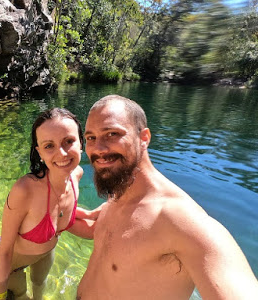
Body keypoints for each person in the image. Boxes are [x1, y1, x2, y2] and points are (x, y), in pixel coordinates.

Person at [77, 95, 258, 299]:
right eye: (91, 137)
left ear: (144, 138)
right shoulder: (118, 195)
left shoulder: (181, 221)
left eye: (112, 133)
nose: (98, 149)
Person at [0, 107, 99, 300]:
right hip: (11, 265)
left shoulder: (76, 175)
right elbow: (5, 250)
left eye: (69, 141)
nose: (62, 153)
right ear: (39, 152)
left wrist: (90, 215)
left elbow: (59, 211)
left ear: (81, 142)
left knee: (40, 289)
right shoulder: (25, 190)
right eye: (49, 146)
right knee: (22, 296)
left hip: (45, 253)